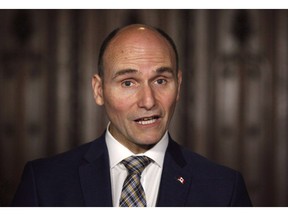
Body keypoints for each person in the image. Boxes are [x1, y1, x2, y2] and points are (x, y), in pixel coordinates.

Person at [12, 24, 252, 207]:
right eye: (128, 83)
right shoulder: (43, 182)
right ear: (99, 90)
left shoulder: (224, 190)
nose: (148, 101)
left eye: (160, 80)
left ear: (178, 86)